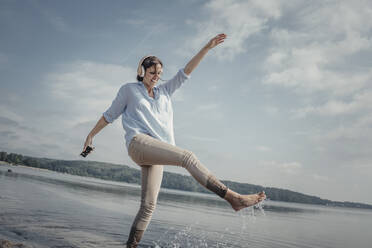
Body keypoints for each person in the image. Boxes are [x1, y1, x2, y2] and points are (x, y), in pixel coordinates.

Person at [82, 33, 266, 247]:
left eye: (159, 73)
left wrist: (206, 48)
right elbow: (109, 115)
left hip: (158, 151)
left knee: (149, 206)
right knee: (187, 157)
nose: (156, 77)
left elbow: (186, 71)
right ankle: (234, 198)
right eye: (152, 72)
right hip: (138, 143)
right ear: (142, 72)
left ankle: (131, 246)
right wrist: (91, 135)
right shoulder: (129, 90)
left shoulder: (164, 92)